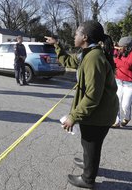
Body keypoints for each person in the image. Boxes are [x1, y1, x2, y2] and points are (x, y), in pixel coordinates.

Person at [45, 20, 119, 189]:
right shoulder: (88, 53)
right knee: (89, 144)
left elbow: (93, 95)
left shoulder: (94, 58)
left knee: (91, 145)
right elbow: (69, 62)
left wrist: (73, 116)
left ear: (84, 37)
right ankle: (88, 163)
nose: (74, 36)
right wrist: (57, 45)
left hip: (99, 114)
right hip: (96, 112)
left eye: (77, 33)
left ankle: (88, 179)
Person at [112, 36, 132, 127]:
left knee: (125, 105)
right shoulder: (120, 53)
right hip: (119, 81)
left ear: (127, 46)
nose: (119, 48)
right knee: (116, 102)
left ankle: (127, 117)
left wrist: (116, 60)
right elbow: (117, 65)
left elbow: (129, 65)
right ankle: (116, 121)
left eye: (121, 46)